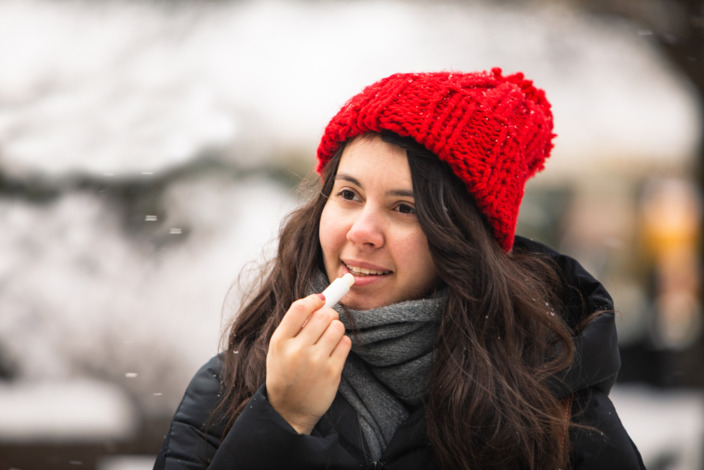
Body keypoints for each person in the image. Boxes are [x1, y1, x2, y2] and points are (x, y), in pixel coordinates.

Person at [153, 68, 645, 469]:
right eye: (348, 195)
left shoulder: (553, 409)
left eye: (405, 208)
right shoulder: (234, 384)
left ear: (464, 243)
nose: (362, 231)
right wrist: (281, 419)